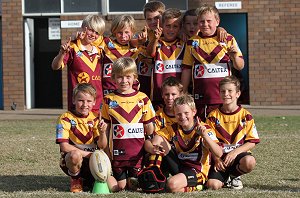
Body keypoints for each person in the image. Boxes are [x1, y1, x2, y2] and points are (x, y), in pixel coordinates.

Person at [146, 94, 223, 192]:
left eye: (186, 113)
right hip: (180, 167)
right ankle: (152, 173)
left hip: (197, 170)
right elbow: (153, 140)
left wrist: (205, 136)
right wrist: (152, 148)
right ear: (174, 114)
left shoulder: (204, 128)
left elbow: (219, 153)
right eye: (178, 114)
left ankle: (197, 186)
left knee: (171, 185)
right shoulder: (173, 128)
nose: (182, 117)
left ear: (194, 112)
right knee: (158, 140)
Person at [181, 4, 244, 121]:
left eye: (209, 21)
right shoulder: (191, 42)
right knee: (204, 130)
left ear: (217, 21)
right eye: (201, 21)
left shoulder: (228, 39)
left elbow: (240, 66)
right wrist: (183, 93)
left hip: (225, 98)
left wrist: (234, 57)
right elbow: (187, 69)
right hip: (201, 98)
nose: (205, 24)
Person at [101, 57, 156, 191]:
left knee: (134, 186)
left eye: (128, 77)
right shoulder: (108, 100)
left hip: (137, 155)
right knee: (120, 186)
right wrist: (106, 150)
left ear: (135, 77)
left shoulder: (143, 98)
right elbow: (106, 130)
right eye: (119, 77)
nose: (124, 81)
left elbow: (150, 131)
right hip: (117, 155)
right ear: (113, 78)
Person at [55, 83, 117, 193]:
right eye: (80, 100)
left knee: (114, 187)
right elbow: (64, 147)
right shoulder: (65, 118)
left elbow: (102, 146)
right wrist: (90, 155)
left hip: (94, 161)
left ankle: (89, 180)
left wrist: (102, 132)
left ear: (94, 102)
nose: (85, 104)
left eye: (89, 101)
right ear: (73, 100)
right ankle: (75, 179)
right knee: (75, 155)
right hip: (75, 159)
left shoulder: (96, 117)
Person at [205, 76, 260, 190]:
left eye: (230, 91)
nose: (226, 94)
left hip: (238, 155)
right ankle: (225, 179)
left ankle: (234, 176)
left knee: (249, 162)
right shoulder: (212, 116)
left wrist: (234, 153)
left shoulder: (246, 116)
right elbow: (209, 143)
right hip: (220, 157)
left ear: (238, 93)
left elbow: (252, 142)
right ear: (219, 93)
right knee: (212, 186)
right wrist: (216, 159)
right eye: (223, 91)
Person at [51, 15, 105, 112]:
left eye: (97, 33)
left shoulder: (100, 50)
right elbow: (55, 66)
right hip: (78, 105)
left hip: (97, 104)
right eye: (91, 30)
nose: (93, 34)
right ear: (83, 28)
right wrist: (61, 54)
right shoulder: (72, 47)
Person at [146, 8, 185, 108]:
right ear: (162, 26)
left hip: (178, 97)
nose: (171, 29)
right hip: (159, 96)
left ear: (180, 28)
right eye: (168, 26)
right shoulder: (157, 42)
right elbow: (150, 53)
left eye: (175, 26)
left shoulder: (184, 44)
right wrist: (155, 39)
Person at [100, 15, 141, 96]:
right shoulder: (106, 43)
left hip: (130, 92)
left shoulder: (137, 48)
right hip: (109, 92)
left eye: (126, 32)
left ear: (132, 32)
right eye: (119, 32)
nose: (123, 36)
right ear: (114, 31)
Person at [135, 1, 166, 98]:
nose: (153, 22)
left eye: (156, 18)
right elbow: (144, 58)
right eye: (149, 19)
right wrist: (141, 44)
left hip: (165, 86)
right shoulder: (143, 37)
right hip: (146, 86)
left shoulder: (171, 35)